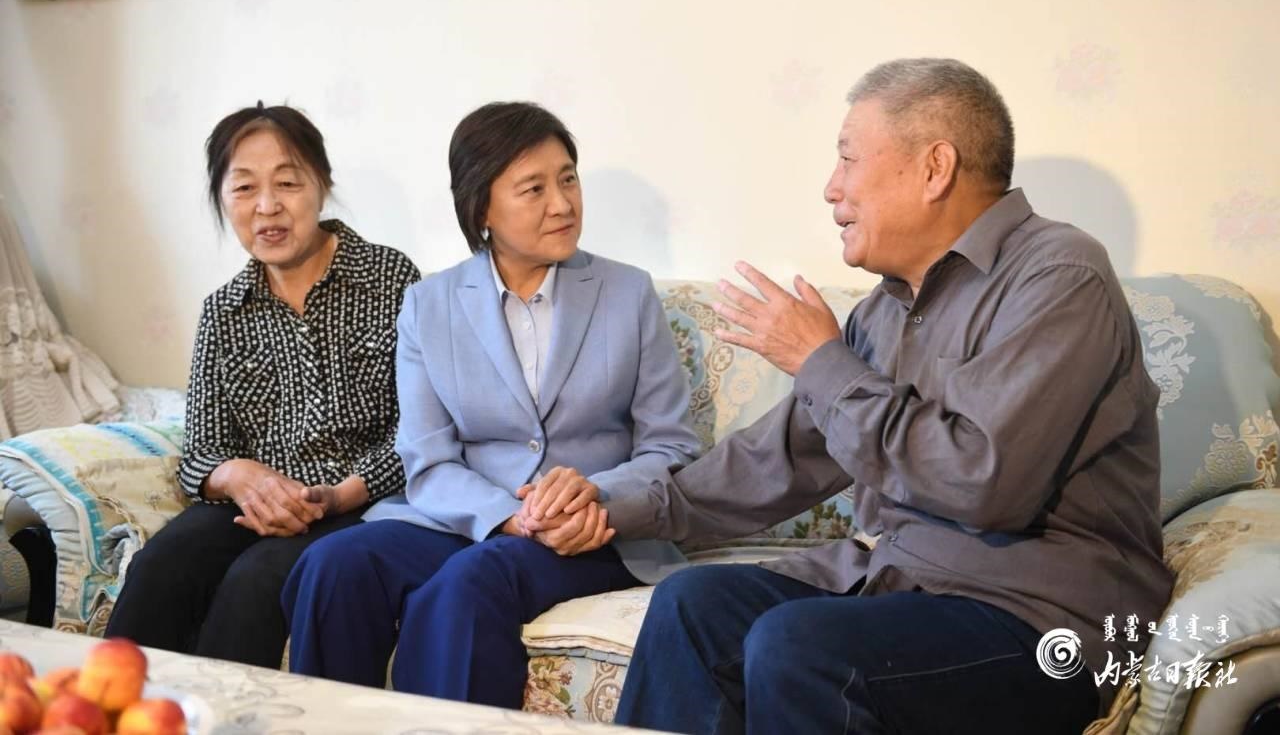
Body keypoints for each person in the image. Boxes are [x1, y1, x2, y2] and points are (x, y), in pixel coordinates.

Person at [608, 58, 1173, 735]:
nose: (831, 188)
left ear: (935, 168)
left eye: (848, 159)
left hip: (1039, 617)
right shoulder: (882, 311)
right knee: (692, 605)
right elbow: (782, 459)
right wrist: (618, 509)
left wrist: (820, 361)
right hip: (903, 584)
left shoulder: (1060, 274)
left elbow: (983, 481)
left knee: (800, 646)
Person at [282, 101, 699, 708]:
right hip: (472, 521)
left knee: (469, 582)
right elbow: (427, 458)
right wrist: (508, 516)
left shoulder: (627, 292)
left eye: (568, 179)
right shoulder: (429, 304)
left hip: (589, 533)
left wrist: (593, 495)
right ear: (481, 208)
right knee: (335, 564)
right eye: (534, 189)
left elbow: (671, 446)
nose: (562, 203)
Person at [105, 103, 420, 668]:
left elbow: (420, 429)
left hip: (361, 501)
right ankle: (112, 706)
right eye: (245, 188)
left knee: (257, 581)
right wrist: (239, 476)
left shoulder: (390, 278)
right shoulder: (223, 311)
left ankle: (222, 714)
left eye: (287, 183)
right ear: (222, 200)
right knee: (161, 566)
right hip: (254, 504)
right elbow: (201, 451)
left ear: (321, 185)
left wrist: (338, 494)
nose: (267, 206)